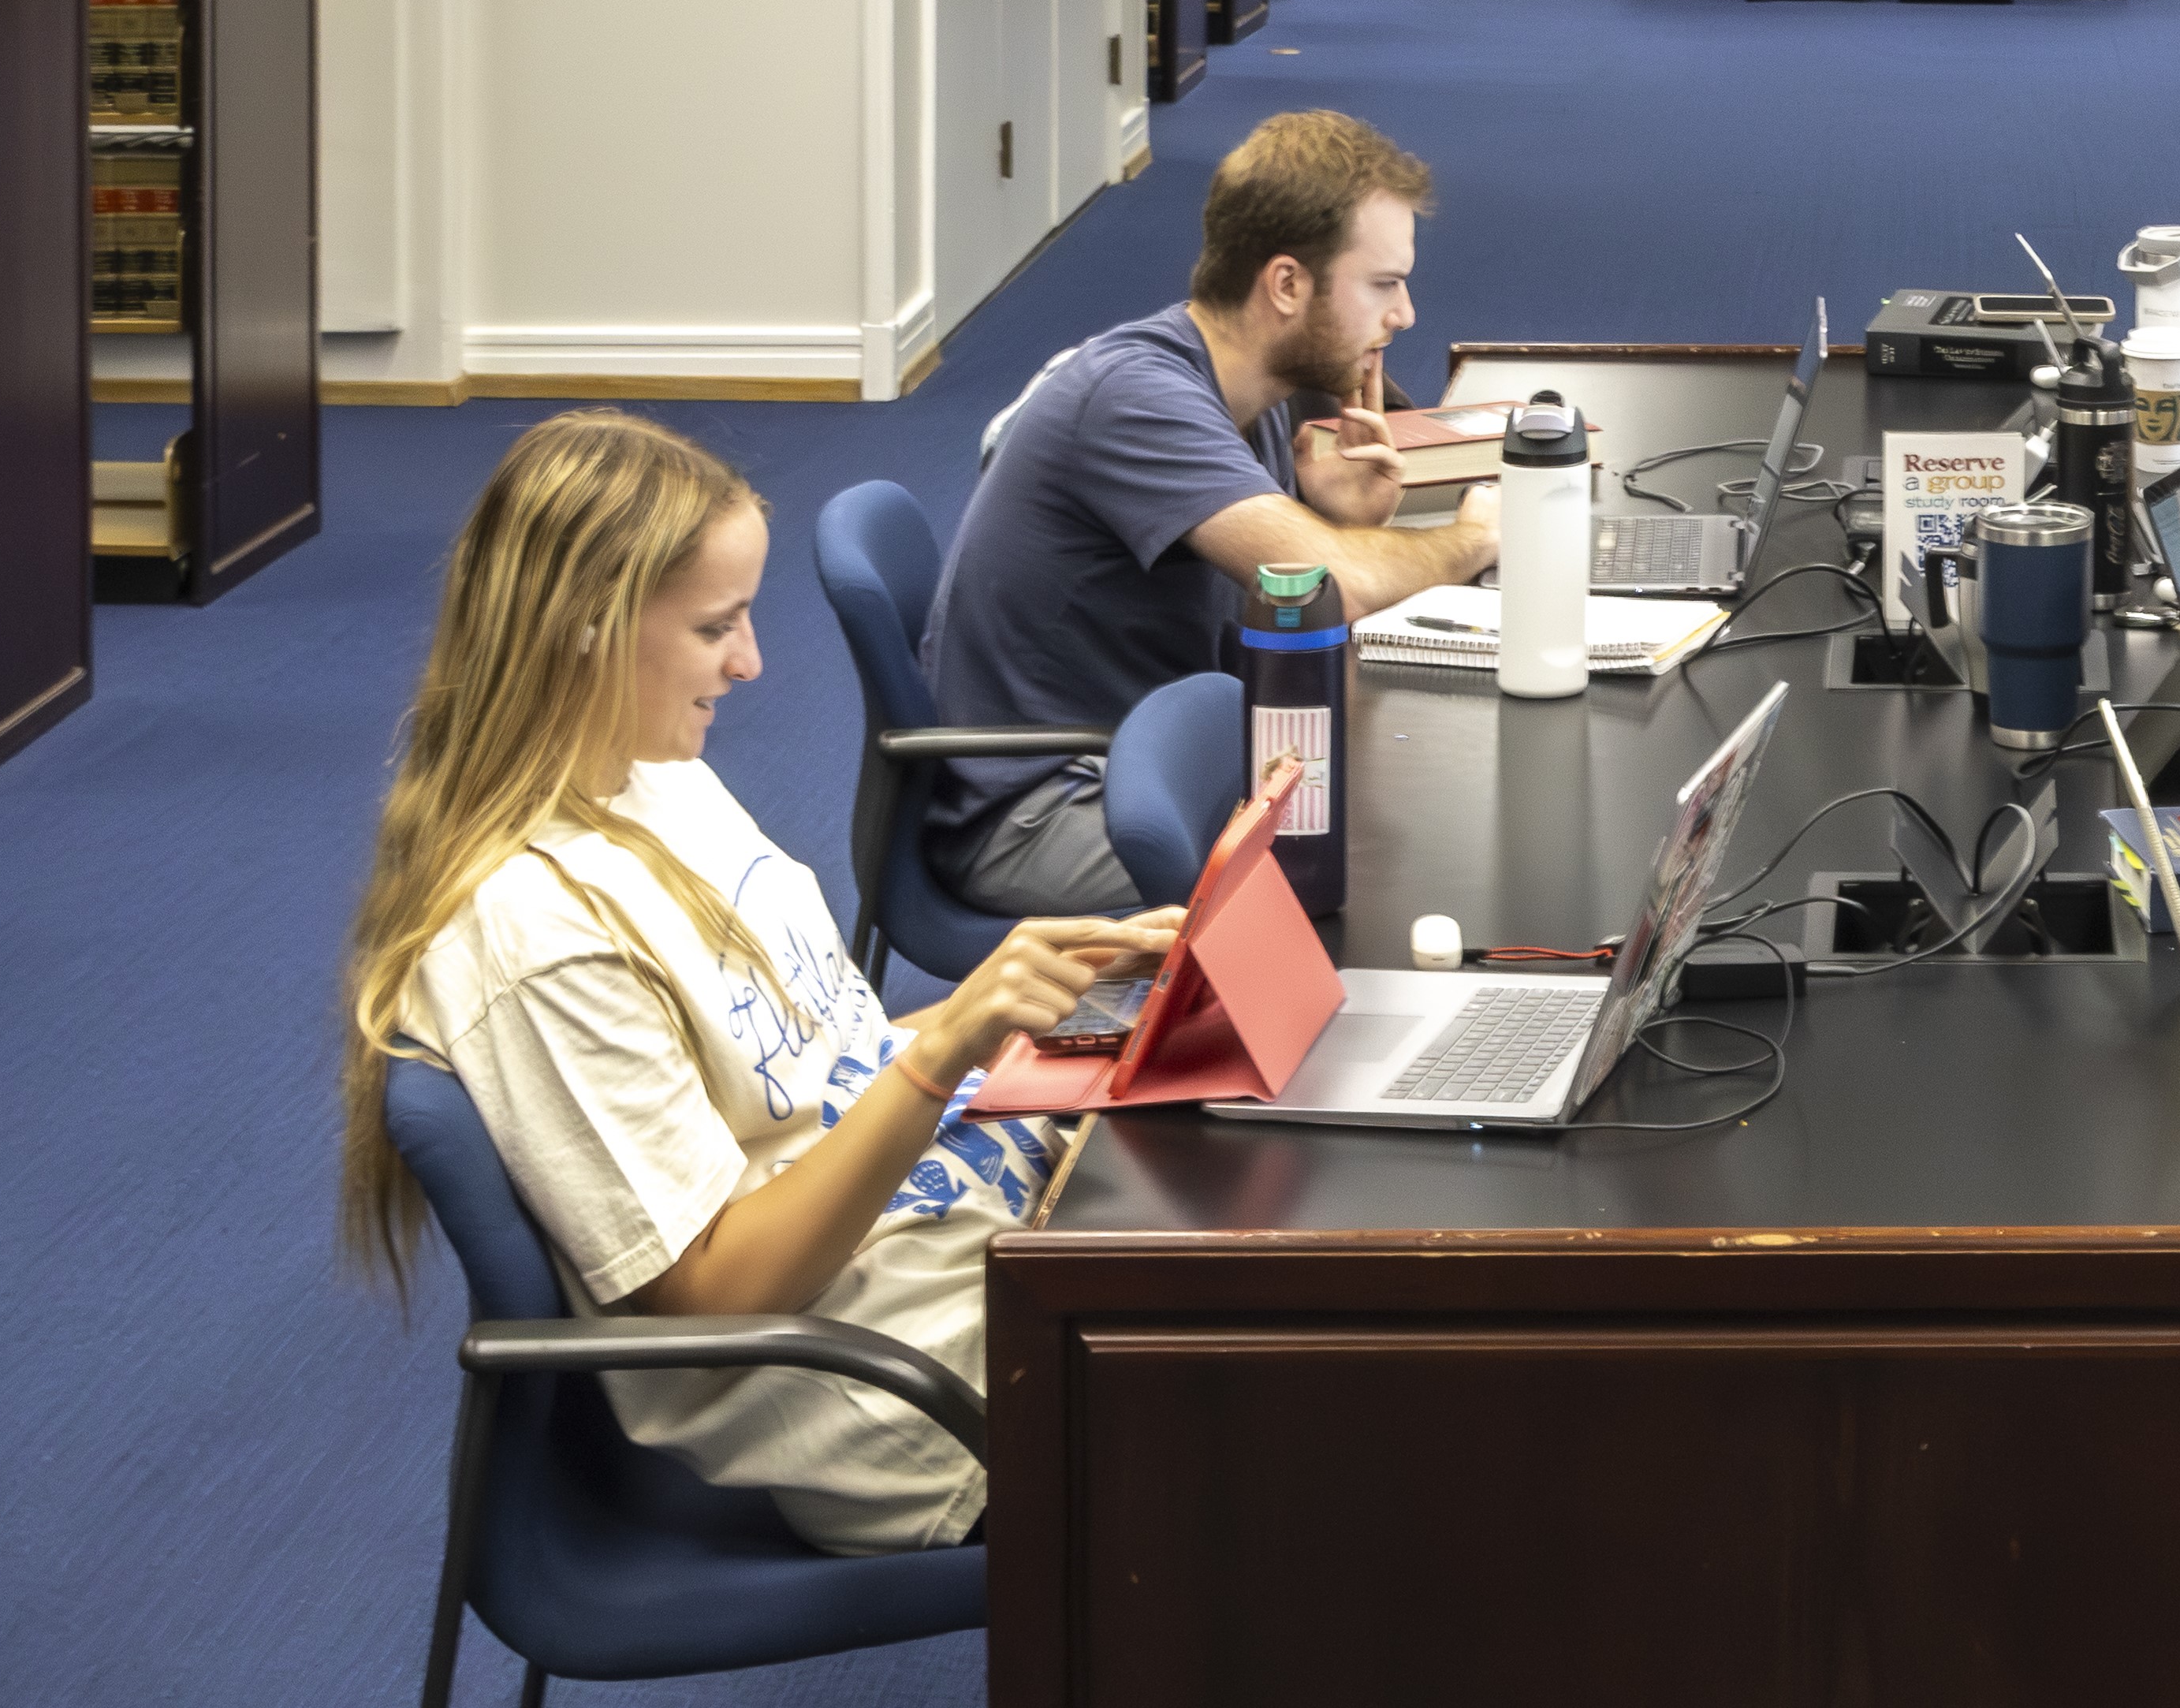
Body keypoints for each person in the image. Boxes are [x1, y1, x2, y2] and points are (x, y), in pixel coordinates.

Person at [334, 408, 1179, 1556]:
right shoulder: (536, 933)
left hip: (985, 1233)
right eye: (713, 626)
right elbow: (713, 1295)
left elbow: (815, 1071)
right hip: (913, 1391)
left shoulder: (652, 776)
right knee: (1342, 1394)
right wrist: (943, 1053)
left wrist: (1023, 995)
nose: (749, 663)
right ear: (584, 627)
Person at [926, 110, 1498, 919]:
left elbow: (1310, 593)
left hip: (1159, 755)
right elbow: (1339, 584)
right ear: (1287, 285)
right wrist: (1472, 539)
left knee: (1395, 799)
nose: (1403, 313)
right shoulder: (1135, 398)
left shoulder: (1250, 388)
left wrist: (1346, 520)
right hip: (1047, 810)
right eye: (1382, 283)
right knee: (1376, 849)